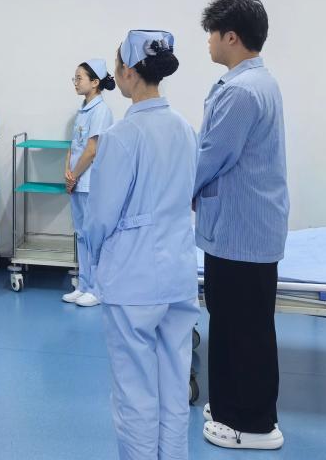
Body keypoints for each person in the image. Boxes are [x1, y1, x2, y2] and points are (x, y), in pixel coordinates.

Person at [84, 30, 199, 460]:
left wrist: (95, 260)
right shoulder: (185, 129)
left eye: (117, 67)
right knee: (174, 389)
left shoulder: (121, 136)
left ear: (129, 72)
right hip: (178, 276)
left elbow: (100, 217)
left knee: (135, 395)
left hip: (133, 280)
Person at [194, 0, 288, 451]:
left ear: (231, 36)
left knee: (244, 329)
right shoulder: (255, 82)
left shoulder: (241, 92)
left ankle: (252, 424)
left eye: (212, 33)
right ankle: (231, 405)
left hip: (240, 232)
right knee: (236, 323)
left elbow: (212, 156)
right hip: (242, 229)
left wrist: (175, 190)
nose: (208, 42)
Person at [63, 59, 115, 308]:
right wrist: (68, 172)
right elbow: (74, 146)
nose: (75, 82)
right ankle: (83, 285)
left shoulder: (101, 111)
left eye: (79, 78)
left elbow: (92, 150)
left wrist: (73, 175)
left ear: (95, 82)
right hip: (77, 181)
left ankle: (96, 288)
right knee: (81, 236)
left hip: (90, 182)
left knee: (94, 237)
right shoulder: (83, 110)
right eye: (74, 78)